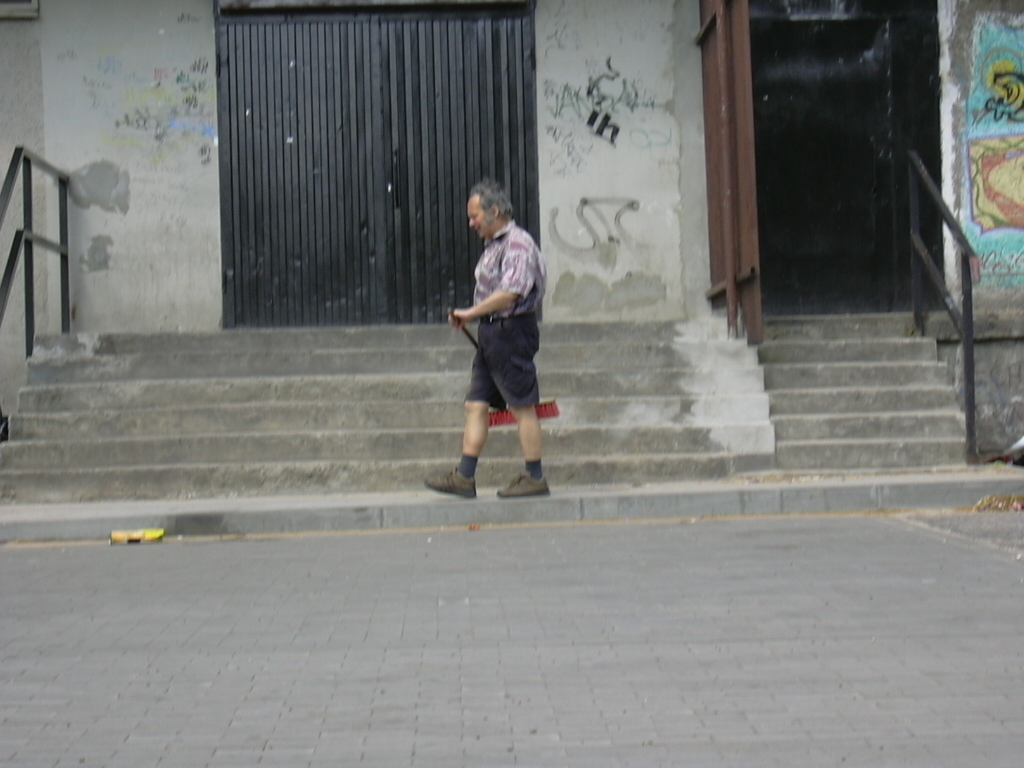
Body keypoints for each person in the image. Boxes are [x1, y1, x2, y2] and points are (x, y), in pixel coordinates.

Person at [425, 179, 550, 499]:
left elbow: (511, 292)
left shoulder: (518, 244)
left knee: (522, 406)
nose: (471, 223)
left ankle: (535, 477)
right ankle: (464, 476)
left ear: (494, 211)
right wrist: (475, 317)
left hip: (512, 332)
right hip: (493, 333)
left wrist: (470, 313)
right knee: (476, 404)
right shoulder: (495, 245)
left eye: (475, 216)